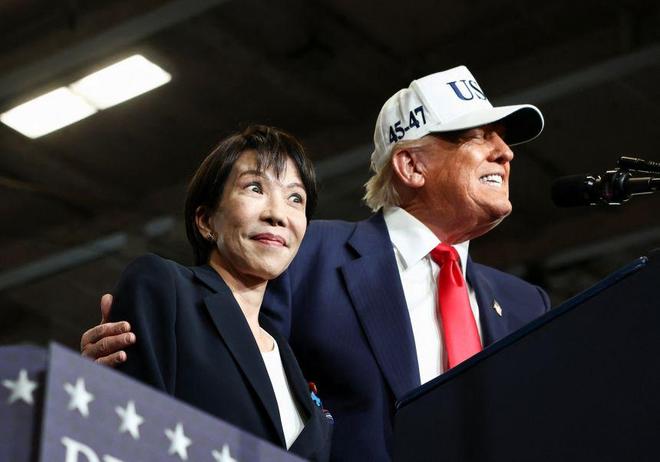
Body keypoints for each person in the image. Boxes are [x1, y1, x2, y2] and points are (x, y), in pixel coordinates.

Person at [81, 66, 551, 461]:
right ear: (411, 165)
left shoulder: (527, 304)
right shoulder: (306, 255)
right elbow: (221, 363)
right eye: (477, 136)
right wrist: (100, 385)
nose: (505, 153)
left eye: (295, 198)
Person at [101, 125, 332, 461]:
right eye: (255, 188)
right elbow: (126, 437)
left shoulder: (287, 353)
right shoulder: (164, 287)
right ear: (206, 221)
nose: (278, 215)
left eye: (295, 198)